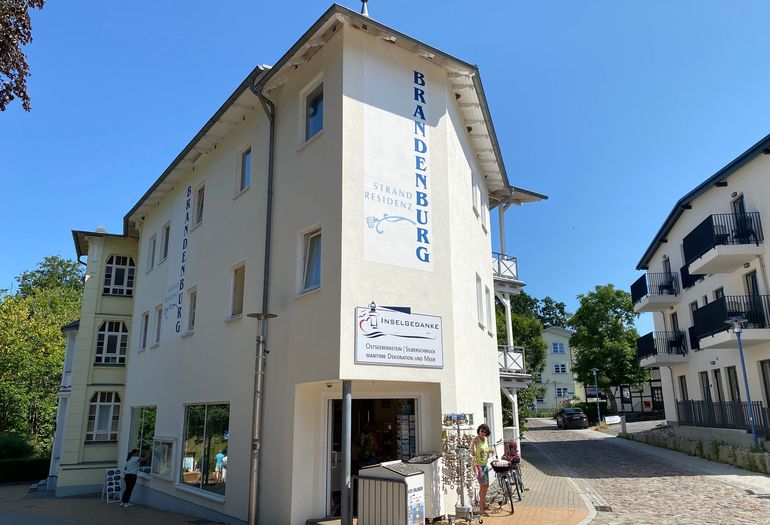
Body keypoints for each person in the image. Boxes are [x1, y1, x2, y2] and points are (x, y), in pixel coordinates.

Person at [471, 424, 492, 516]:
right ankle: (481, 508)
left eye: (485, 431)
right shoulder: (476, 439)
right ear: (479, 430)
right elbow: (471, 451)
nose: (483, 433)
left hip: (485, 465)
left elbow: (484, 450)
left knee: (486, 486)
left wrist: (489, 451)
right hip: (479, 466)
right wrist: (474, 465)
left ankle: (484, 504)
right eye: (481, 431)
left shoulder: (485, 439)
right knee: (482, 486)